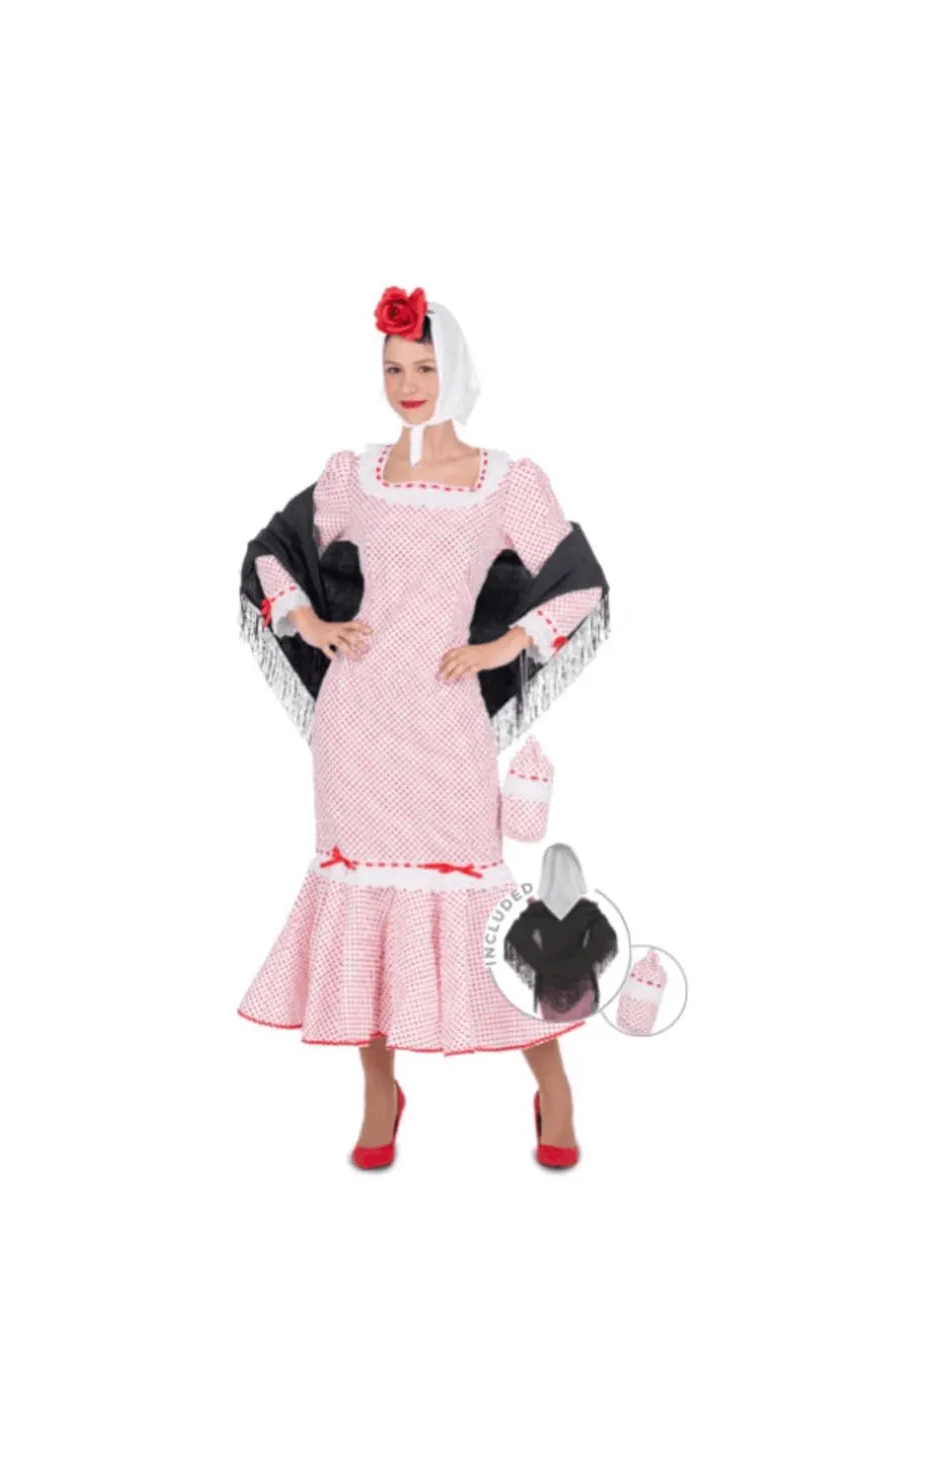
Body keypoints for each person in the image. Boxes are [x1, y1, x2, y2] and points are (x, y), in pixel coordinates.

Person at [236, 285, 610, 1168]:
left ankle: (553, 1087)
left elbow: (579, 581)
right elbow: (269, 554)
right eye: (395, 368)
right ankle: (379, 1091)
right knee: (360, 904)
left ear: (459, 373)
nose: (408, 385)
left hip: (445, 722)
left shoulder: (506, 482)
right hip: (356, 721)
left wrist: (505, 645)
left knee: (484, 903)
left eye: (426, 368)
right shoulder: (353, 475)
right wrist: (310, 623)